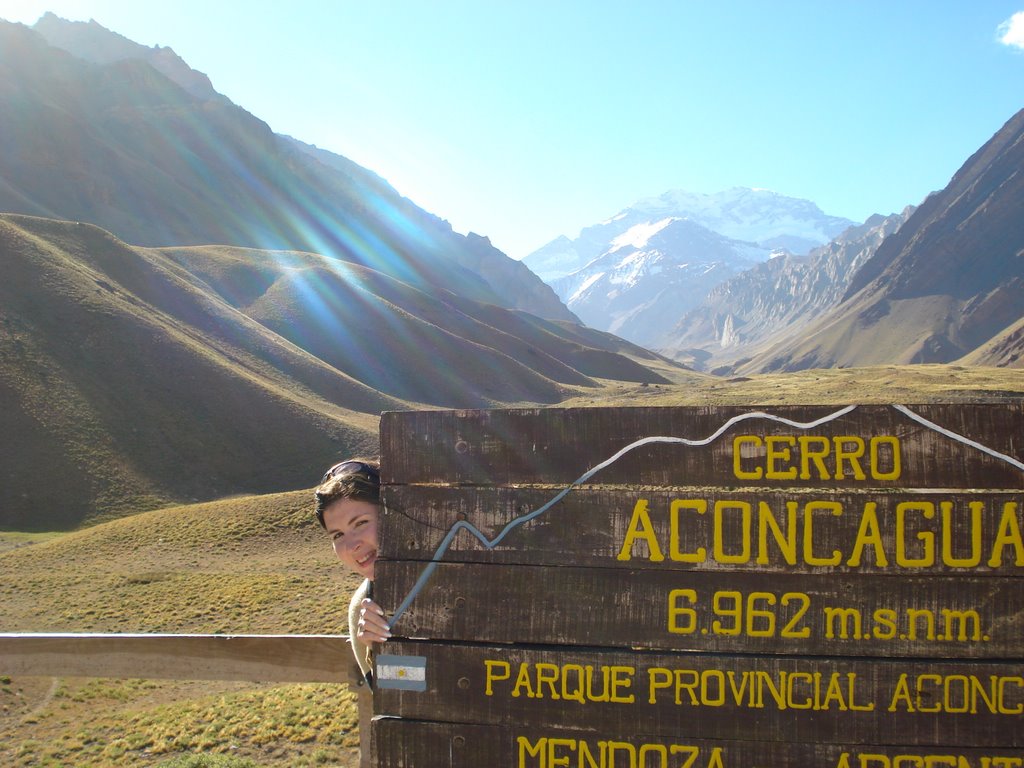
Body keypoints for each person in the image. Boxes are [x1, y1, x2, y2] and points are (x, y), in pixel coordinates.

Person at [314, 458, 391, 683]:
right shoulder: (362, 609)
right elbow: (391, 707)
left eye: (360, 523)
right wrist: (376, 652)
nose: (351, 545)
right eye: (338, 535)